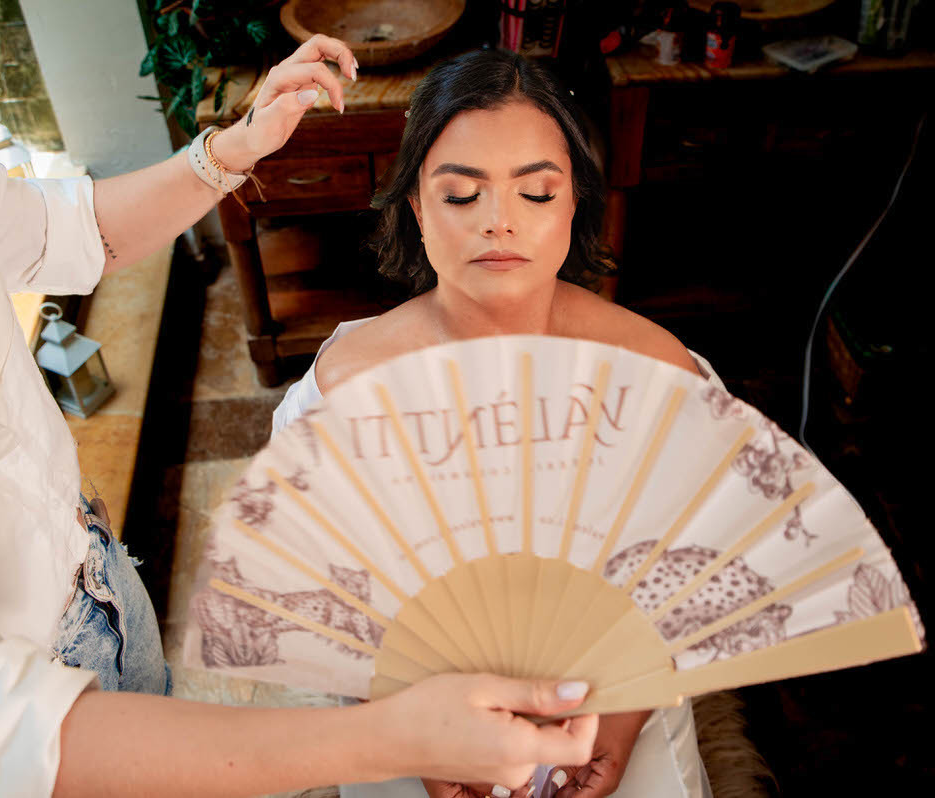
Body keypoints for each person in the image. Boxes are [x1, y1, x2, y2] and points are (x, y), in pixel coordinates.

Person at [0, 3, 602, 797]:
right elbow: (0, 730)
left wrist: (231, 149)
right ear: (415, 203)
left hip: (100, 587)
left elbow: (65, 232)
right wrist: (389, 739)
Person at [272, 49, 721, 798]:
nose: (500, 223)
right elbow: (321, 610)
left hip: (612, 716)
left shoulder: (661, 376)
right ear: (416, 208)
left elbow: (695, 579)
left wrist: (619, 724)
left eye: (536, 192)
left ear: (574, 202)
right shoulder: (341, 393)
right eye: (460, 197)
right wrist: (414, 735)